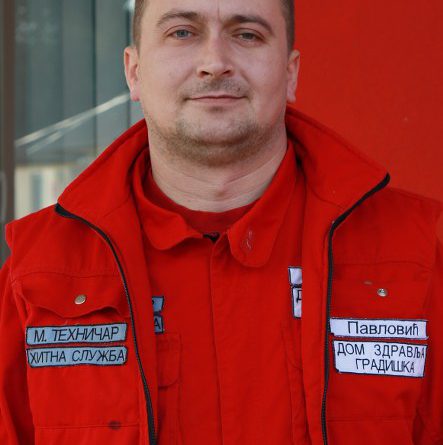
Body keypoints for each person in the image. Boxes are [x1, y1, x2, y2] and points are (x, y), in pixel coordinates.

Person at [0, 0, 442, 444]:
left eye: (247, 34)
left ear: (290, 73)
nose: (215, 62)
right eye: (182, 32)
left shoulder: (412, 259)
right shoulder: (39, 273)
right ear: (134, 71)